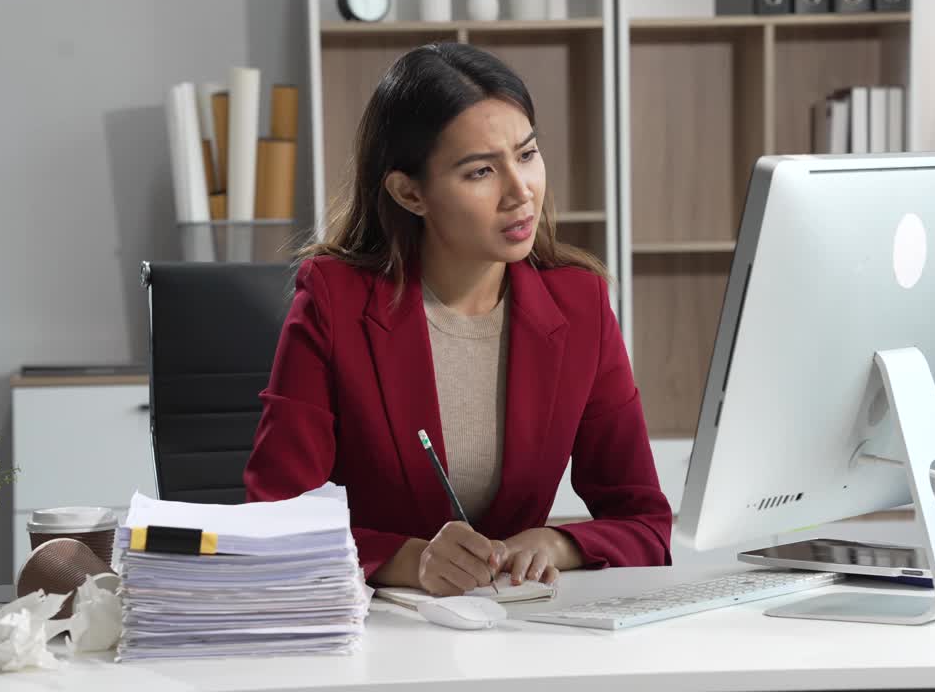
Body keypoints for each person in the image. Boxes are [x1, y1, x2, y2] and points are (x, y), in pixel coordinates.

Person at [245, 43, 671, 597]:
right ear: (410, 192)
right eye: (480, 172)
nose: (521, 192)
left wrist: (554, 544)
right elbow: (271, 518)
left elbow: (645, 523)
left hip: (517, 627)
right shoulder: (334, 301)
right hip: (373, 635)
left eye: (526, 155)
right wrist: (408, 560)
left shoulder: (580, 303)